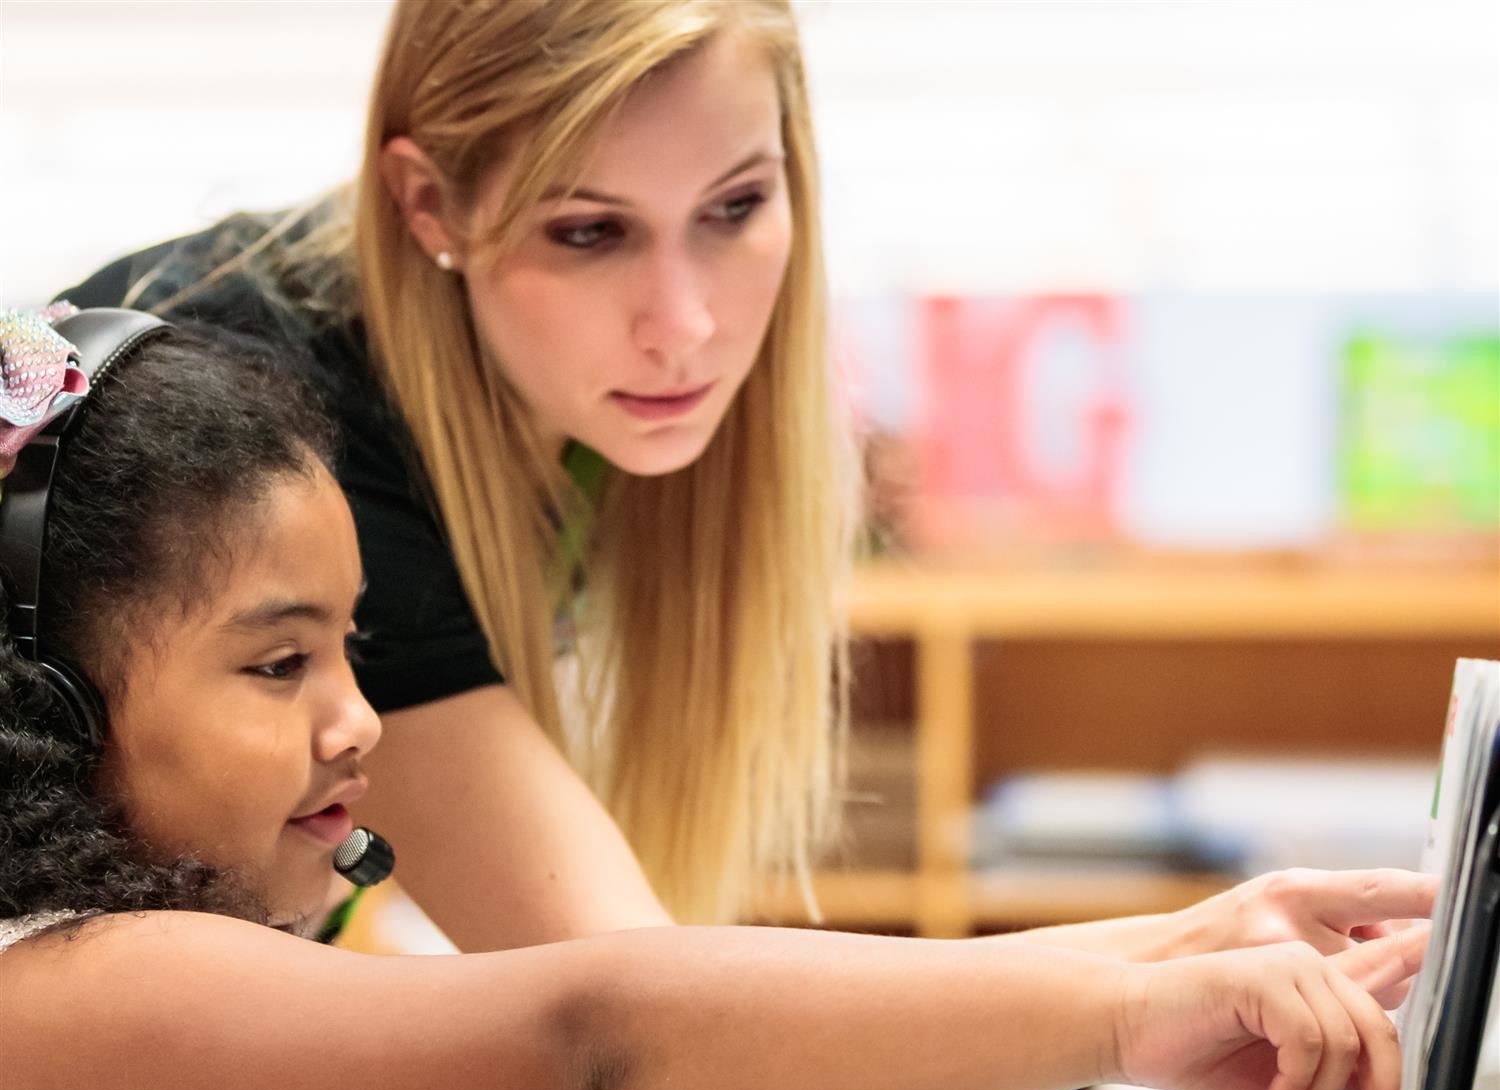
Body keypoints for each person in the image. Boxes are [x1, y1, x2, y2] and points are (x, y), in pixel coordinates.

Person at [0, 308, 1425, 1090]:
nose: (360, 720)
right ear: (44, 713)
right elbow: (599, 1044)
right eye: (277, 666)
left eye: (349, 649)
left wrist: (1179, 940)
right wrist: (1127, 1010)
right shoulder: (76, 1002)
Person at [60, 0, 1437, 960]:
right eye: (590, 231)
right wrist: (1161, 974)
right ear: (431, 209)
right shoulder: (291, 418)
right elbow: (618, 1000)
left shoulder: (558, 409)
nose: (689, 323)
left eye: (734, 210)